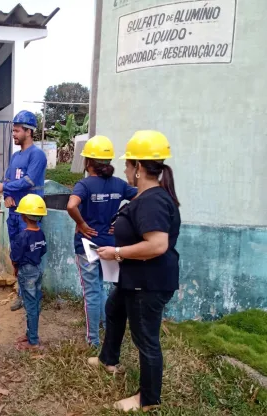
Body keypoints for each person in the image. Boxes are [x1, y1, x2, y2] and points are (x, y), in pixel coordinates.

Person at [92, 131, 181, 412]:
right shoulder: (149, 197)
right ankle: (109, 359)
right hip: (135, 277)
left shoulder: (152, 200)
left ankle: (148, 399)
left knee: (146, 338)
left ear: (139, 168)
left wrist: (116, 253)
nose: (126, 170)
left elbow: (157, 244)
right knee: (114, 309)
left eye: (128, 165)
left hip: (149, 282)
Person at [66, 136, 137, 347]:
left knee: (91, 292)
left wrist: (81, 223)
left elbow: (71, 205)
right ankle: (107, 326)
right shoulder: (119, 184)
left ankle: (93, 340)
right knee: (102, 287)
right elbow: (142, 198)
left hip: (88, 244)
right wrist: (123, 219)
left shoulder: (85, 185)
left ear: (89, 162)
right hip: (110, 245)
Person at [0, 110, 47, 312]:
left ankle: (33, 295)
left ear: (28, 131)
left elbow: (29, 181)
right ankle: (22, 293)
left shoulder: (38, 155)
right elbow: (9, 179)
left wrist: (3, 188)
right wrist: (7, 195)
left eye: (16, 131)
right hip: (15, 213)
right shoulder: (15, 156)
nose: (14, 134)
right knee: (17, 253)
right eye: (13, 131)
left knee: (31, 256)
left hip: (30, 215)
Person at [10, 194, 48, 351]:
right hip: (38, 270)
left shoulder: (22, 236)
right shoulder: (40, 233)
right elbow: (43, 250)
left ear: (23, 216)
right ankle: (30, 333)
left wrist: (15, 269)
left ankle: (33, 341)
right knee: (34, 303)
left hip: (27, 273)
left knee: (31, 306)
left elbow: (15, 257)